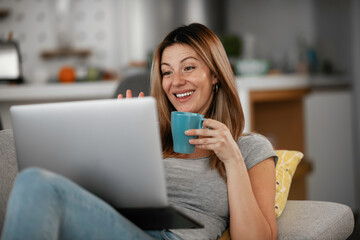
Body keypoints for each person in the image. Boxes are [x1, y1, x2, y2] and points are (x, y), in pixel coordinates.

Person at [2, 23, 278, 240]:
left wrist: (232, 159)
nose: (176, 82)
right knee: (33, 180)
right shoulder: (151, 137)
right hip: (121, 228)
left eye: (189, 68)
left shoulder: (249, 148)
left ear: (215, 75)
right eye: (166, 72)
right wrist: (120, 139)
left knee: (35, 182)